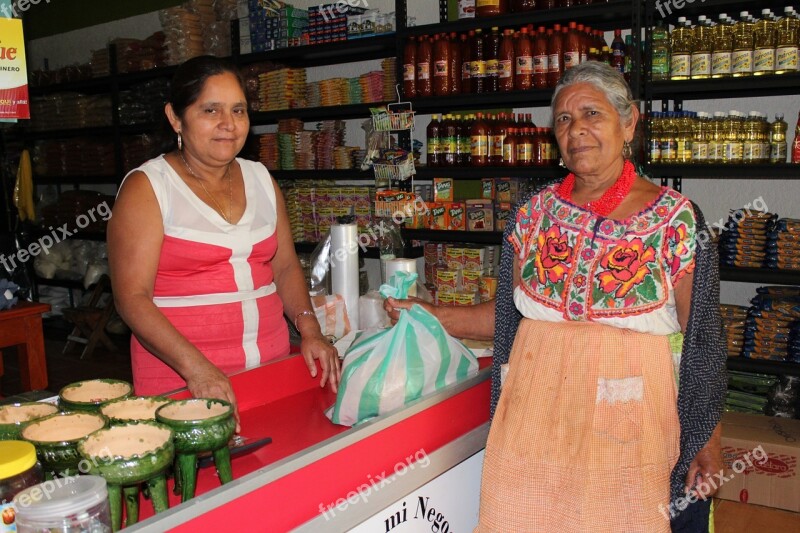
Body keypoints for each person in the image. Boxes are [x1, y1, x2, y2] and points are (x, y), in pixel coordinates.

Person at [386, 62, 726, 532]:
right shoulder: (532, 215)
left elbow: (703, 339)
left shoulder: (677, 220)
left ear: (628, 123)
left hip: (628, 424)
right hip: (533, 414)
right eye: (564, 119)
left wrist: (707, 439)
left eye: (591, 113)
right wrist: (426, 313)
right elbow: (505, 318)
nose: (577, 129)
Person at [108, 56, 340, 429]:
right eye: (210, 110)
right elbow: (131, 298)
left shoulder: (261, 178)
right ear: (175, 117)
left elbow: (283, 266)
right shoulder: (148, 188)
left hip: (270, 373)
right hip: (184, 385)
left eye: (238, 110)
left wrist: (310, 329)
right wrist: (197, 370)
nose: (228, 124)